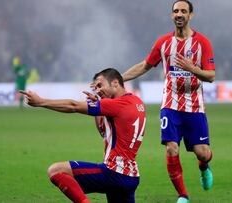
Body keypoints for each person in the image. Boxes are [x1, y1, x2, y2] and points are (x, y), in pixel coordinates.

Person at [122, 1, 215, 202]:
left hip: (194, 106)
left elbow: (211, 76)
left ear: (191, 15)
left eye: (183, 11)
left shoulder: (203, 43)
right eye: (175, 11)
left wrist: (192, 69)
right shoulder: (163, 42)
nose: (179, 14)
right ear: (171, 16)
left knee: (203, 153)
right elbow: (145, 65)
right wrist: (120, 78)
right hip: (170, 105)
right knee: (171, 147)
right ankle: (183, 195)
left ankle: (204, 166)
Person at [20, 68, 146, 203]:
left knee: (56, 171)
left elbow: (73, 106)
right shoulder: (136, 102)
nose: (97, 90)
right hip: (131, 176)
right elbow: (104, 133)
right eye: (95, 87)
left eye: (100, 85)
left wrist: (41, 102)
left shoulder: (117, 104)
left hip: (114, 173)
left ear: (115, 83)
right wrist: (99, 108)